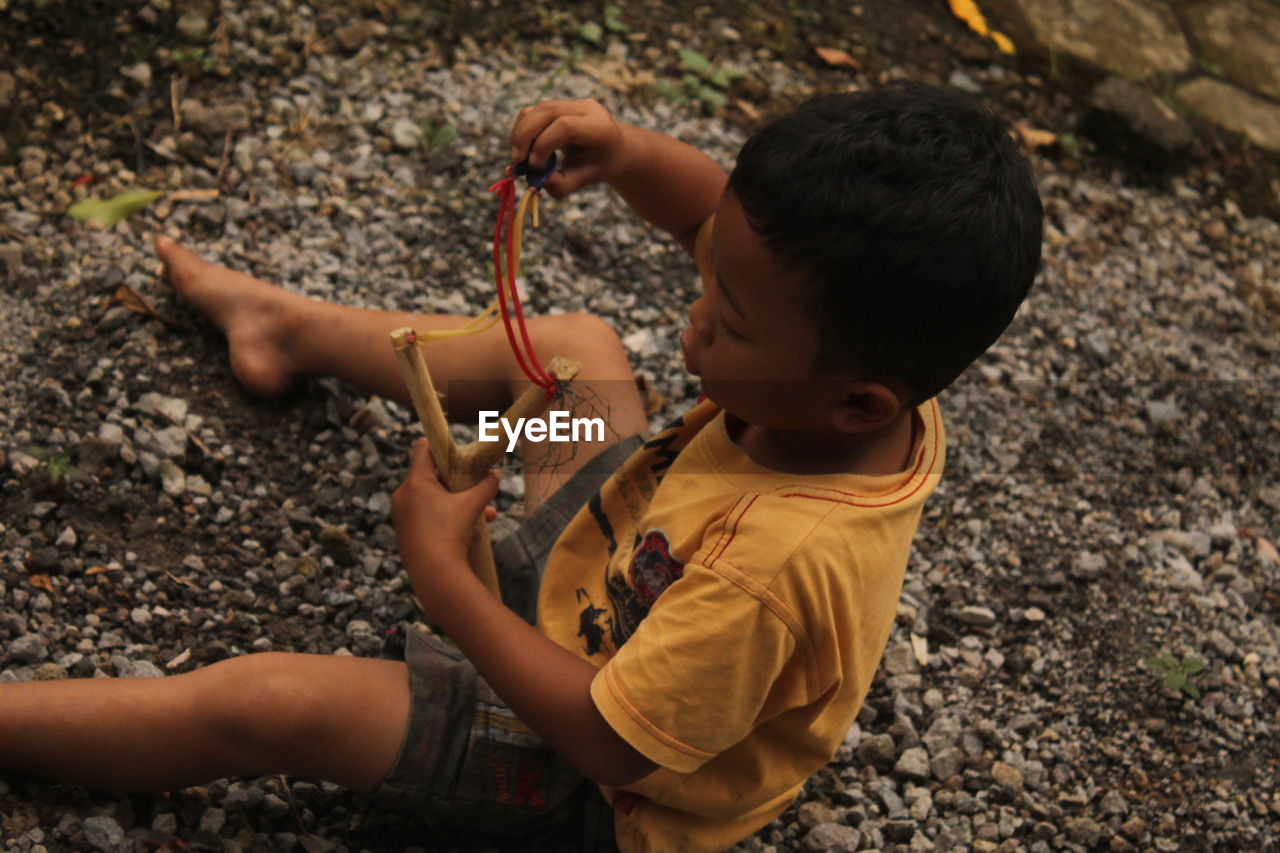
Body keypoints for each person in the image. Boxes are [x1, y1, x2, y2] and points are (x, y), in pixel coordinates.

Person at [0, 83, 1042, 852]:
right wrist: (629, 150)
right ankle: (280, 330)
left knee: (275, 703)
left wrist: (448, 580)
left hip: (582, 751)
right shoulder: (863, 362)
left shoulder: (765, 570)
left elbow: (609, 742)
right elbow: (706, 214)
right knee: (577, 346)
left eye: (722, 324)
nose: (689, 323)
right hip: (625, 551)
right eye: (708, 284)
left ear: (855, 400)